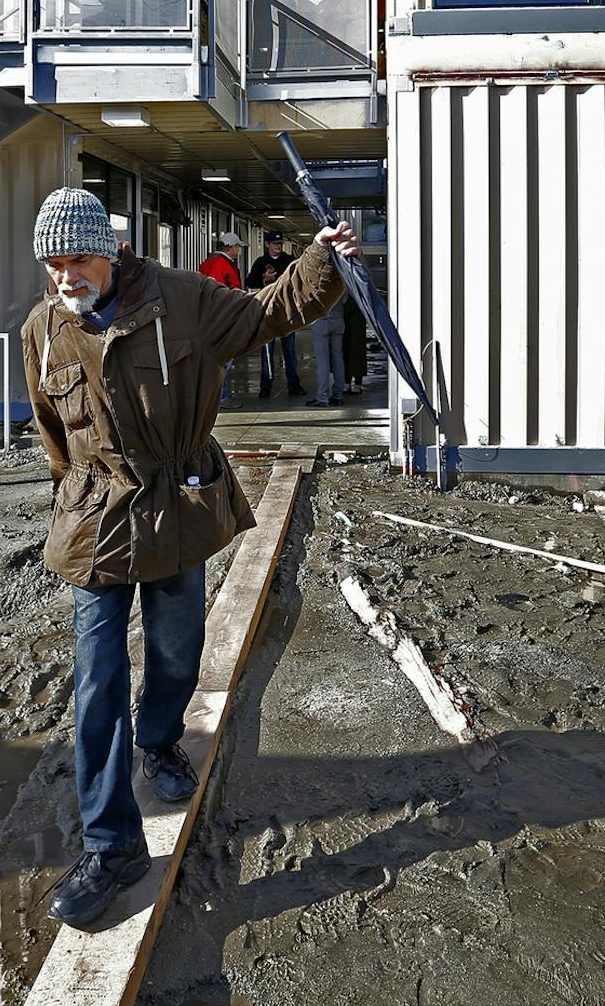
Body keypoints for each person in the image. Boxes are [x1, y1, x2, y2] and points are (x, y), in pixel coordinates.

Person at [22, 187, 357, 926]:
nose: (63, 275)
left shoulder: (184, 299)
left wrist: (320, 260)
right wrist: (76, 497)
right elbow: (54, 434)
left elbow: (272, 312)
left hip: (178, 500)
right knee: (96, 683)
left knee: (177, 648)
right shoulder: (43, 329)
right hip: (96, 513)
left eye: (75, 258)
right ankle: (111, 847)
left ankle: (164, 741)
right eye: (52, 263)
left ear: (108, 255)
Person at [244, 231, 304, 397]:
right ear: (267, 245)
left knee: (290, 351)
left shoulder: (289, 260)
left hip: (286, 310)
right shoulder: (260, 262)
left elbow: (298, 279)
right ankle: (265, 386)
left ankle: (294, 385)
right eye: (274, 244)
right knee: (267, 351)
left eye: (279, 244)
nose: (278, 247)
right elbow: (249, 281)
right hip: (268, 311)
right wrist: (264, 279)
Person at [197, 232, 243, 403]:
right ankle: (220, 397)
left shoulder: (211, 263)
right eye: (237, 247)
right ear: (230, 247)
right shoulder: (221, 265)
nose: (238, 250)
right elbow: (217, 293)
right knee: (224, 359)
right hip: (222, 318)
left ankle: (218, 396)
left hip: (212, 318)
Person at [308, 293, 346, 406]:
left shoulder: (317, 276)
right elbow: (344, 299)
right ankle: (338, 395)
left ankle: (322, 397)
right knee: (338, 359)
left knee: (322, 360)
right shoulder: (342, 277)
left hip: (321, 319)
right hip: (338, 319)